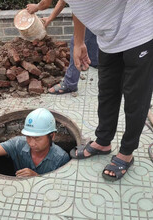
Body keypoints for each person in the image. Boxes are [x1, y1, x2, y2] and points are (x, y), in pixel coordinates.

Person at [61, 0, 153, 181]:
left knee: (136, 98)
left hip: (139, 30)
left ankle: (127, 152)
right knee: (106, 92)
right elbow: (77, 5)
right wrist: (79, 42)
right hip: (107, 39)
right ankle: (103, 142)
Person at [0, 108, 70, 177]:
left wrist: (36, 177)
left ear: (52, 136)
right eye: (28, 137)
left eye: (37, 138)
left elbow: (59, 188)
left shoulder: (61, 158)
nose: (31, 143)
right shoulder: (18, 143)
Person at [26, 0, 98, 95]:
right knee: (91, 35)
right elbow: (62, 1)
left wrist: (36, 6)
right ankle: (95, 62)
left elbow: (45, 3)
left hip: (98, 10)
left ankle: (70, 84)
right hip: (99, 10)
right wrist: (49, 19)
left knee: (76, 42)